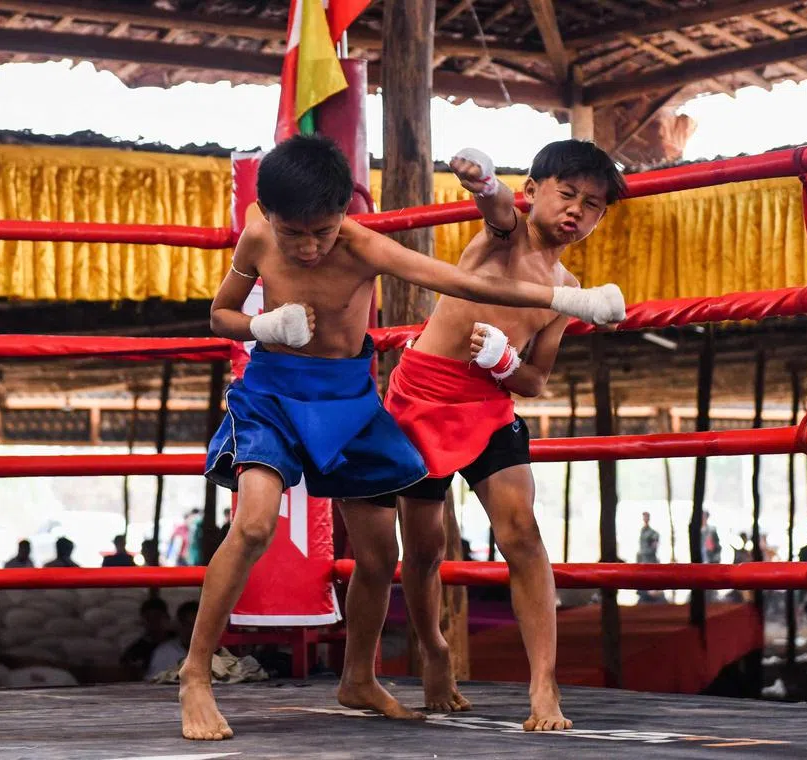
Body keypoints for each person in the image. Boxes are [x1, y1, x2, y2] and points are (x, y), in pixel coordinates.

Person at [178, 134, 624, 741]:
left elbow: (477, 301)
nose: (309, 247)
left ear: (344, 214)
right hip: (302, 396)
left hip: (360, 403)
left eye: (323, 231)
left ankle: (368, 678)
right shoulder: (259, 232)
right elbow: (218, 315)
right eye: (295, 235)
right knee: (270, 527)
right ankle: (196, 675)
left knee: (407, 551)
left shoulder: (364, 245)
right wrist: (261, 323)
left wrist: (556, 310)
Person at [357, 140, 627, 732]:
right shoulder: (505, 236)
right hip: (422, 398)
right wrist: (480, 178)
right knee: (424, 549)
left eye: (593, 205)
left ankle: (543, 687)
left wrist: (507, 363)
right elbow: (497, 205)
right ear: (535, 191)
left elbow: (535, 379)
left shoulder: (567, 289)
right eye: (568, 193)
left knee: (522, 534)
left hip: (488, 406)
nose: (578, 211)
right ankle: (433, 648)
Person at [120, 597, 176, 679]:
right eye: (149, 618)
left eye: (157, 617)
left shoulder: (179, 642)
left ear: (167, 618)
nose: (154, 622)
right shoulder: (136, 650)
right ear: (143, 621)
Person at [149, 601, 199, 679]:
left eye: (196, 624)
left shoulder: (215, 651)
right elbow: (152, 682)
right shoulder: (163, 652)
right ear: (179, 624)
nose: (192, 629)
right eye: (187, 624)